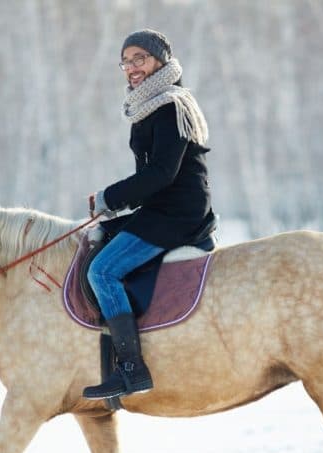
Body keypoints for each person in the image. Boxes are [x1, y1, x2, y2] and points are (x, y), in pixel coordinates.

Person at [82, 29, 217, 400]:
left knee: (102, 270)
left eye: (139, 58)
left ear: (160, 60)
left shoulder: (171, 105)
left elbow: (161, 174)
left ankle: (131, 369)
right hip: (163, 207)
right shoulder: (148, 106)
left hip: (177, 213)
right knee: (95, 239)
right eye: (125, 61)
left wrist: (112, 195)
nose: (131, 68)